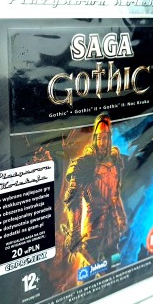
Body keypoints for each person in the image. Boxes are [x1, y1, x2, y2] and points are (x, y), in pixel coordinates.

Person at [62, 113, 127, 266]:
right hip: (93, 228)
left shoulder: (115, 161)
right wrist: (75, 232)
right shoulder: (87, 162)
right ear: (95, 138)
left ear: (109, 139)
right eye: (99, 138)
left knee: (113, 265)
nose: (102, 142)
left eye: (105, 138)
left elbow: (115, 194)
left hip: (112, 227)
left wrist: (121, 216)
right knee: (87, 272)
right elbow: (73, 198)